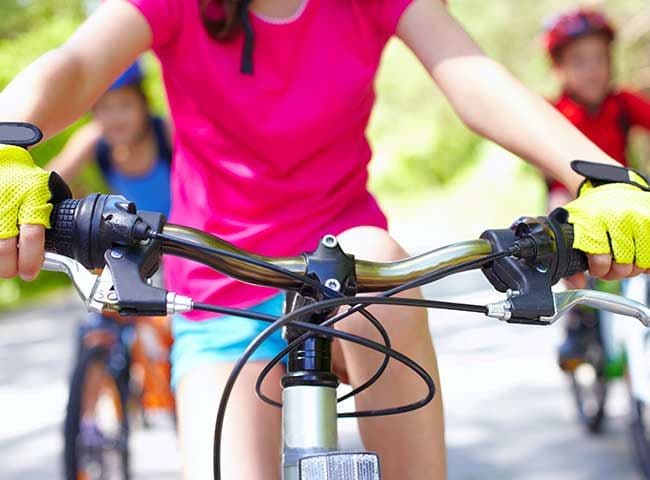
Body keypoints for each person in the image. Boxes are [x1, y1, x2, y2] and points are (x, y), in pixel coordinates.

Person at [0, 1, 649, 479]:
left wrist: (601, 177)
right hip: (219, 285)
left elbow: (473, 76)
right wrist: (8, 143)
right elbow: (79, 64)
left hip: (352, 272)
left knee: (382, 261)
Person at [48, 60, 176, 425]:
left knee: (174, 330)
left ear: (143, 104)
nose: (115, 117)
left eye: (124, 105)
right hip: (126, 241)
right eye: (104, 107)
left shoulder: (165, 133)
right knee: (97, 325)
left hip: (178, 242)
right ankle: (87, 427)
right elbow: (51, 178)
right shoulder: (94, 140)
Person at [541, 8, 650, 371]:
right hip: (570, 198)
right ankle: (577, 319)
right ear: (559, 68)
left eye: (600, 59)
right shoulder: (555, 111)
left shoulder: (622, 103)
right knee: (560, 235)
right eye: (580, 61)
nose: (593, 69)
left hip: (621, 198)